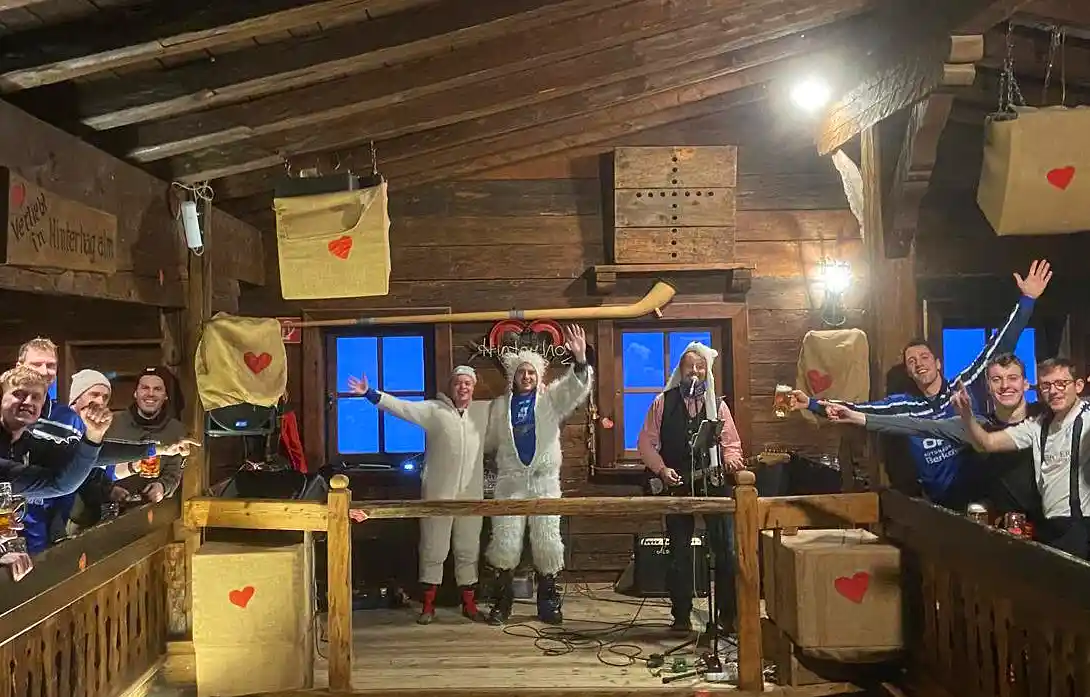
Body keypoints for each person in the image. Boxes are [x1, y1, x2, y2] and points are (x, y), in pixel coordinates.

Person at [786, 260, 1051, 508]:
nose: (919, 363)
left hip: (981, 499)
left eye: (924, 357)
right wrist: (811, 403)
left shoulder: (963, 386)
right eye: (911, 361)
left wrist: (1027, 300)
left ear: (938, 363)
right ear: (909, 372)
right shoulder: (904, 405)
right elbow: (858, 410)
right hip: (937, 506)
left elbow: (999, 345)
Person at [348, 365, 489, 624]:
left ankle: (469, 605)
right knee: (434, 547)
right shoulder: (434, 410)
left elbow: (510, 409)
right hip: (438, 492)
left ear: (474, 387)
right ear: (451, 386)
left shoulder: (483, 413)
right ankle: (428, 606)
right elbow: (403, 408)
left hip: (471, 493)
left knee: (469, 547)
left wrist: (538, 395)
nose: (463, 387)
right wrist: (371, 393)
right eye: (458, 382)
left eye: (467, 383)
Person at [821, 353, 1041, 519]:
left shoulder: (1044, 420)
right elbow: (916, 425)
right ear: (988, 387)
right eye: (997, 380)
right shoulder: (976, 426)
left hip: (1047, 523)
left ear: (1025, 384)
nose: (1005, 385)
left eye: (1012, 378)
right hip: (1002, 527)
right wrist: (855, 416)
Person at [485, 325, 592, 626]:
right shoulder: (500, 406)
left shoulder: (550, 399)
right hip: (510, 482)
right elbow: (491, 441)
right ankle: (502, 604)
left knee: (547, 541)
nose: (527, 377)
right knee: (505, 542)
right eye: (522, 372)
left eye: (531, 372)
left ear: (539, 376)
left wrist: (580, 360)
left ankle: (548, 602)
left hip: (544, 482)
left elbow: (574, 389)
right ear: (513, 376)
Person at [637, 342, 744, 634]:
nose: (694, 372)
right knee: (679, 552)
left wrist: (731, 459)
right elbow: (646, 443)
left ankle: (727, 617)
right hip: (678, 486)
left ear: (707, 372)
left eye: (700, 368)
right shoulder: (662, 402)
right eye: (689, 368)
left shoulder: (718, 406)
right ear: (680, 371)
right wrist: (662, 470)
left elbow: (731, 443)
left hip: (714, 484)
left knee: (726, 551)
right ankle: (681, 617)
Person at [951, 358, 1090, 560]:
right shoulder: (1039, 424)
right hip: (1050, 527)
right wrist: (966, 415)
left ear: (1078, 386)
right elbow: (988, 443)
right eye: (1046, 385)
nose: (1054, 391)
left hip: (1082, 524)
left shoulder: (1087, 417)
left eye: (1061, 383)